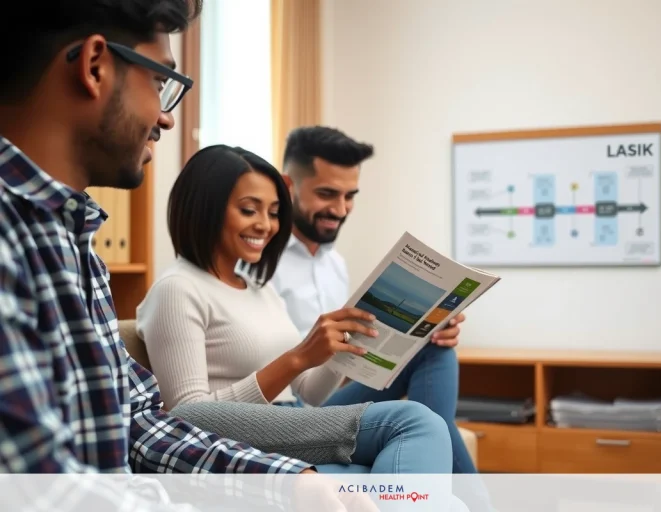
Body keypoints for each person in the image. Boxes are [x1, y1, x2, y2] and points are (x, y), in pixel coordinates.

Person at [0, 2, 378, 510]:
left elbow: (142, 421)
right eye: (161, 82)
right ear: (95, 66)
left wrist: (290, 481)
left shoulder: (76, 246)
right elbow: (45, 491)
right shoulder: (14, 242)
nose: (166, 117)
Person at [135, 143, 456, 478]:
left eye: (274, 213)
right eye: (249, 210)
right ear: (205, 209)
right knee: (413, 422)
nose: (266, 225)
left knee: (418, 458)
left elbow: (311, 392)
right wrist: (296, 359)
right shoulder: (177, 289)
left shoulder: (259, 288)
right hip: (246, 437)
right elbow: (187, 417)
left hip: (293, 417)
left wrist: (343, 343)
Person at [268, 126, 477, 475]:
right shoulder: (260, 263)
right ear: (288, 186)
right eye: (327, 194)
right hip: (286, 416)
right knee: (426, 423)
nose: (340, 209)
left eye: (350, 196)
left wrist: (427, 326)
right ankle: (476, 497)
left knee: (435, 346)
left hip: (328, 401)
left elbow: (343, 363)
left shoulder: (335, 265)